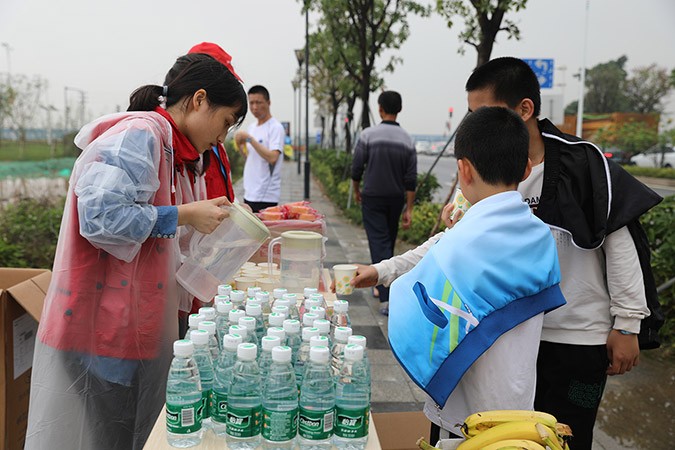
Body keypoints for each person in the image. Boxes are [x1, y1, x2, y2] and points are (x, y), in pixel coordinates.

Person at [350, 57, 662, 449]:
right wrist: (385, 269)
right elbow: (445, 248)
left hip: (576, 336)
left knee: (569, 435)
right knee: (507, 434)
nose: (473, 125)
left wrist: (627, 324)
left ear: (524, 109)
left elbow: (620, 241)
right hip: (507, 333)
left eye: (482, 113)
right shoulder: (482, 173)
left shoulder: (584, 164)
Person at [25, 50, 248, 450]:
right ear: (199, 100)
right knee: (117, 438)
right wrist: (180, 214)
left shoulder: (179, 154)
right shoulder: (141, 136)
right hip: (104, 329)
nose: (221, 138)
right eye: (225, 122)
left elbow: (170, 244)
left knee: (134, 435)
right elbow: (100, 217)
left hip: (131, 323)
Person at [388, 105, 566, 439]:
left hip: (465, 415)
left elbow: (411, 302)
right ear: (526, 168)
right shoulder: (542, 235)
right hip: (518, 406)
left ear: (464, 170)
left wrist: (456, 232)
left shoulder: (460, 242)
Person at [351, 90, 417, 315]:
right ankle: (382, 284)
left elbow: (357, 168)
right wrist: (409, 208)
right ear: (399, 110)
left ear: (380, 108)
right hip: (396, 198)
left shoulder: (368, 135)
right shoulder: (407, 139)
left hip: (373, 196)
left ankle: (386, 298)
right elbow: (411, 179)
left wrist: (356, 191)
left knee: (379, 243)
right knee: (387, 242)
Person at [235, 85, 285, 212]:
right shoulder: (252, 127)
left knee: (264, 231)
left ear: (268, 103)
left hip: (266, 194)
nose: (254, 107)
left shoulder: (275, 127)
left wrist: (250, 139)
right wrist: (240, 145)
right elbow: (249, 157)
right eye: (251, 103)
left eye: (258, 102)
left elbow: (273, 157)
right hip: (249, 191)